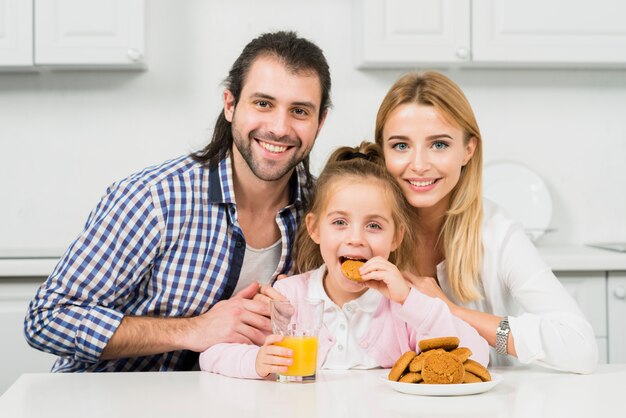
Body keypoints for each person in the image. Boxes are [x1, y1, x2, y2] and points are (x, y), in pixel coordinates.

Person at [23, 31, 331, 372]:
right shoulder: (154, 199)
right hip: (112, 398)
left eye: (299, 111)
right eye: (263, 103)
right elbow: (47, 320)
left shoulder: (324, 213)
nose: (279, 126)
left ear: (320, 122)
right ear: (230, 105)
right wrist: (195, 329)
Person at [199, 142, 489, 379]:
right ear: (314, 229)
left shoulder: (404, 307)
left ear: (396, 237)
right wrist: (257, 361)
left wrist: (411, 301)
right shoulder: (288, 300)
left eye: (374, 226)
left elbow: (477, 355)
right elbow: (212, 354)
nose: (356, 238)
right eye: (340, 222)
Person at [374, 71, 597, 374]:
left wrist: (451, 311)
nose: (419, 164)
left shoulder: (497, 232)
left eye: (438, 145)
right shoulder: (360, 231)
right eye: (401, 146)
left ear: (468, 150)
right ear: (382, 153)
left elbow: (579, 346)